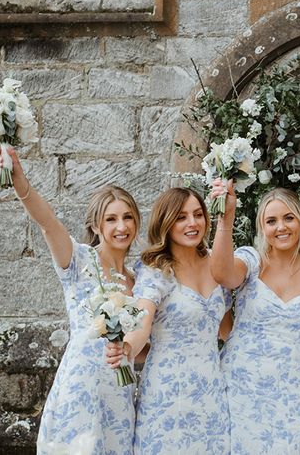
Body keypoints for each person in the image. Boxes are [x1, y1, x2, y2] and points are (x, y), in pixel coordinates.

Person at [0, 146, 139, 455]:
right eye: (111, 218)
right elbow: (47, 222)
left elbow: (142, 343)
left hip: (119, 391)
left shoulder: (137, 280)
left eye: (128, 217)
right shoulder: (77, 260)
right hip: (81, 385)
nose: (121, 226)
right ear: (96, 225)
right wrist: (20, 181)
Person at [106, 188, 231, 455]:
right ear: (166, 222)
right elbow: (142, 323)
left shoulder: (217, 264)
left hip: (212, 389)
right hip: (168, 390)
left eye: (198, 214)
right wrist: (127, 348)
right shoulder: (156, 270)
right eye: (181, 217)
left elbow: (227, 330)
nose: (192, 223)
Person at [210, 184, 300, 455]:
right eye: (271, 221)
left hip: (290, 391)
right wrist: (225, 220)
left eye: (289, 218)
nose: (281, 227)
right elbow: (221, 274)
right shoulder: (251, 261)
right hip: (240, 384)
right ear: (261, 227)